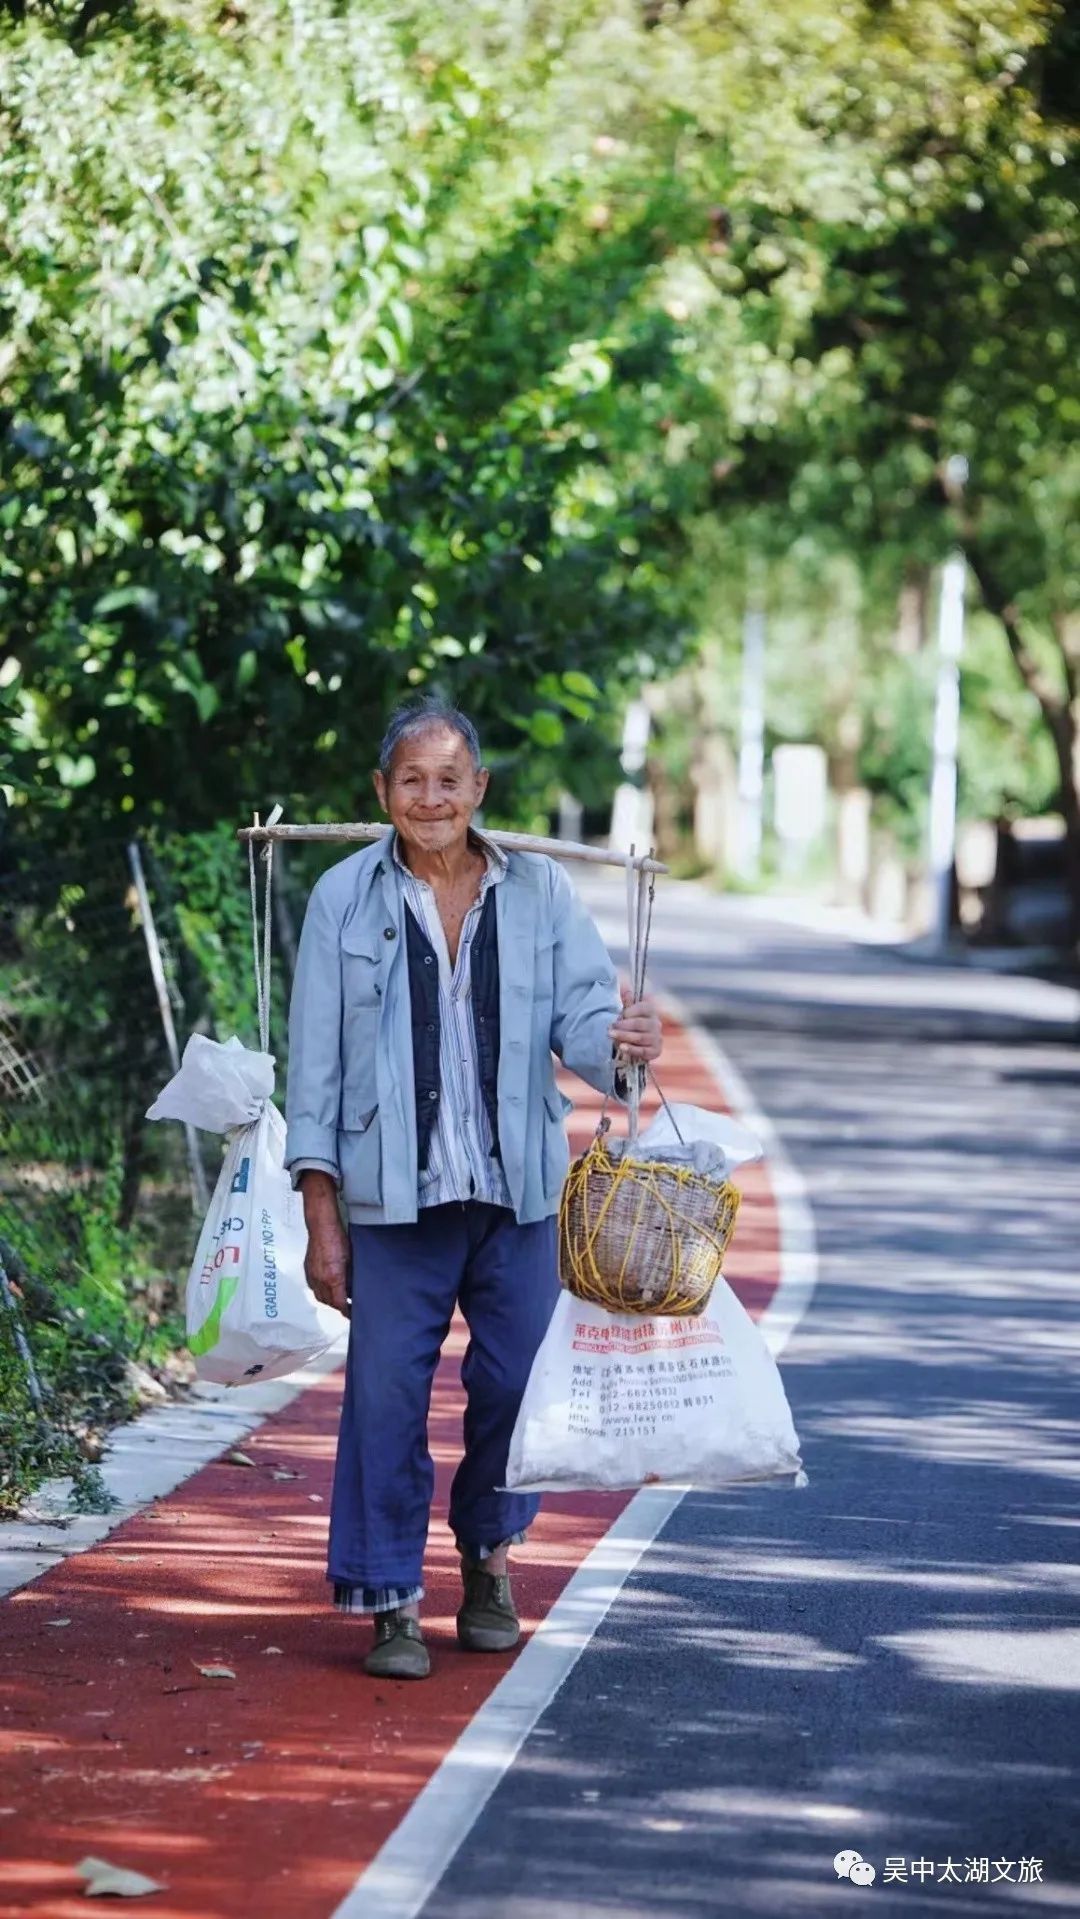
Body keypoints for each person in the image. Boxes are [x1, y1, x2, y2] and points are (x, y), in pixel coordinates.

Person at [284, 698, 663, 1679]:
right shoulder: (342, 899)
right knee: (384, 1395)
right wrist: (320, 1213)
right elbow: (314, 1068)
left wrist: (621, 1052)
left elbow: (585, 1020)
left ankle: (488, 1555)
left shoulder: (537, 892)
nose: (431, 796)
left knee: (513, 1382)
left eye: (449, 777)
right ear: (382, 792)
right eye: (411, 778)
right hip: (391, 1202)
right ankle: (389, 1595)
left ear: (479, 787)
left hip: (516, 1192)